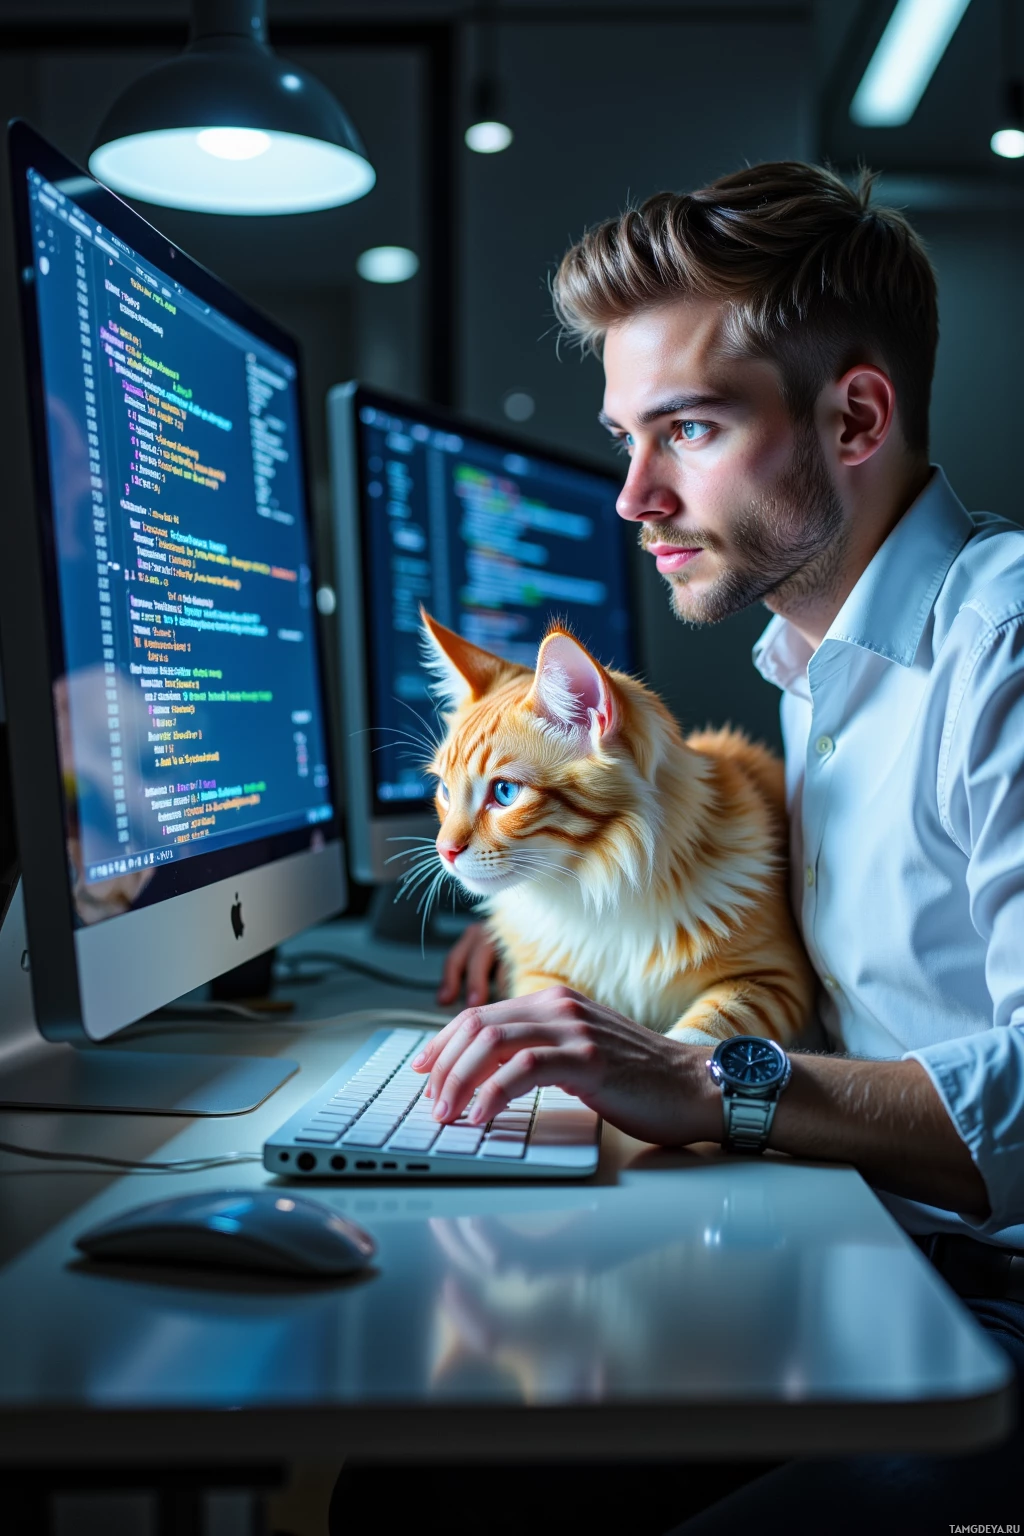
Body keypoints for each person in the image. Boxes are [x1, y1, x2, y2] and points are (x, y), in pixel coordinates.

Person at [412, 162, 1024, 1530]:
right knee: (428, 1482)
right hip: (876, 1245)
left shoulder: (1004, 646)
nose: (633, 496)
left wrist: (707, 1079)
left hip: (994, 1311)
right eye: (624, 437)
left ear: (855, 416)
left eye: (686, 429)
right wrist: (561, 918)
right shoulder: (819, 671)